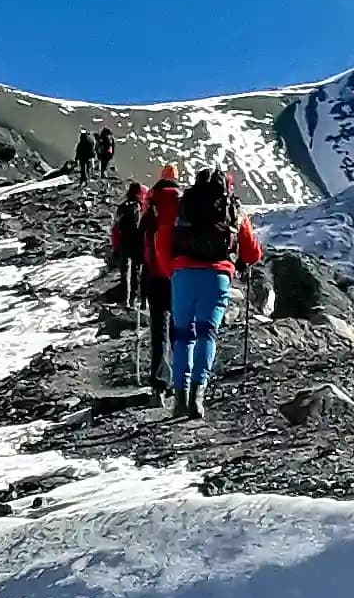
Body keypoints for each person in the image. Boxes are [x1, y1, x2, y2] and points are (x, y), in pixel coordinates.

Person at [152, 164, 265, 420]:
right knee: (207, 334)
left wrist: (172, 270)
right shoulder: (232, 209)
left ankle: (180, 397)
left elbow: (163, 238)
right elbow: (252, 253)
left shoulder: (184, 204)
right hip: (218, 275)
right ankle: (198, 397)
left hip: (182, 274)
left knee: (183, 336)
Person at [138, 164, 182, 397]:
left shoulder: (151, 199)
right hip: (179, 272)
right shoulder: (182, 200)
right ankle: (177, 380)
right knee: (178, 327)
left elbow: (141, 232)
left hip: (154, 272)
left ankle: (158, 383)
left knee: (159, 329)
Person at [107, 181, 148, 309]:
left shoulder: (122, 207)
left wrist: (115, 246)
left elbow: (115, 228)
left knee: (125, 271)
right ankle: (136, 299)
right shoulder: (141, 207)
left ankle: (126, 299)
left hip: (124, 241)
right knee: (137, 271)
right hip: (138, 242)